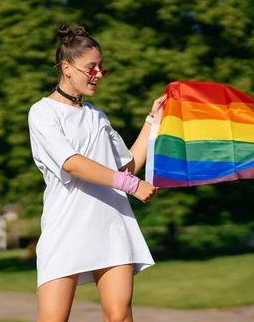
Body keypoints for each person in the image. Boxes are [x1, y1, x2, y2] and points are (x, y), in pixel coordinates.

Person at [28, 24, 165, 322]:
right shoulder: (42, 113)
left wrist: (152, 121)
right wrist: (130, 184)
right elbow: (72, 163)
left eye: (101, 67)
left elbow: (126, 166)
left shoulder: (96, 116)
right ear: (67, 68)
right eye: (91, 67)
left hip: (111, 225)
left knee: (119, 317)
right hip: (65, 228)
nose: (99, 74)